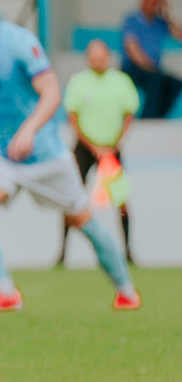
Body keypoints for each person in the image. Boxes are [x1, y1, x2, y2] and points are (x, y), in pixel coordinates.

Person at [0, 0, 140, 313]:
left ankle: (126, 289)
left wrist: (30, 129)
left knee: (84, 221)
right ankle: (4, 290)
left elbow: (51, 91)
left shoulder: (19, 41)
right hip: (1, 156)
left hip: (45, 156)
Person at [58, 38, 139, 265]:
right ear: (88, 59)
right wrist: (93, 147)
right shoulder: (78, 82)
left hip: (112, 149)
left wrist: (114, 144)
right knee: (71, 198)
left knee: (121, 200)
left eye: (101, 57)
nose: (97, 61)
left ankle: (128, 251)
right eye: (93, 57)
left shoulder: (121, 81)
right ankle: (62, 252)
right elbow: (72, 118)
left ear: (108, 57)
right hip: (85, 148)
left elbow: (129, 114)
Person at [121, 0, 182, 119]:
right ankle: (147, 120)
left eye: (156, 1)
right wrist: (150, 67)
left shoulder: (161, 23)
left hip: (153, 69)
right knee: (155, 79)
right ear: (142, 0)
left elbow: (179, 35)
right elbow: (132, 49)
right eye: (149, 0)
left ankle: (158, 117)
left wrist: (166, 14)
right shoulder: (132, 20)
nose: (152, 4)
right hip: (133, 68)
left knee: (175, 84)